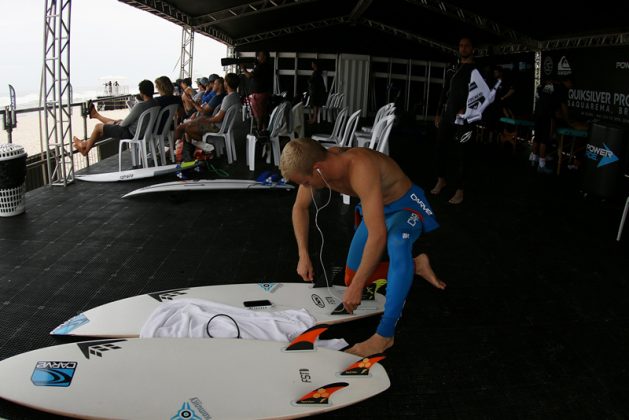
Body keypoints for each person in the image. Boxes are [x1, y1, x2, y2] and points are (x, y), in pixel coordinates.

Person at [280, 138, 445, 357]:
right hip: (375, 208)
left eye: (307, 183)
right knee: (353, 277)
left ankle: (385, 335)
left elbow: (378, 237)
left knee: (397, 244)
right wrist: (303, 254)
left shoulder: (360, 167)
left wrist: (357, 287)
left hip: (404, 206)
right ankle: (416, 265)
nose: (307, 188)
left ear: (317, 170)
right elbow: (300, 208)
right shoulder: (316, 164)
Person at [431, 37, 476, 205]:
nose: (463, 48)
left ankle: (460, 190)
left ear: (472, 49)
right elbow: (444, 91)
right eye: (461, 45)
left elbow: (482, 95)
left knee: (462, 154)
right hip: (448, 116)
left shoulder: (476, 70)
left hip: (465, 119)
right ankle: (441, 179)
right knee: (440, 148)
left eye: (467, 46)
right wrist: (437, 113)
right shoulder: (454, 69)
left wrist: (467, 108)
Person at [73, 79, 156, 156]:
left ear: (141, 92)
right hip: (143, 133)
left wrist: (119, 122)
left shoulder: (140, 106)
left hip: (131, 134)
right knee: (106, 128)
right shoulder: (155, 104)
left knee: (98, 127)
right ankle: (95, 117)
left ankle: (85, 150)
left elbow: (123, 124)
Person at [531, 75, 587, 173]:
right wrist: (568, 121)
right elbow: (564, 107)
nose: (571, 87)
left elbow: (540, 90)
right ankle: (541, 165)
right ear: (568, 81)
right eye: (571, 84)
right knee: (544, 139)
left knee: (537, 137)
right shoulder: (562, 89)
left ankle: (533, 158)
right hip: (546, 115)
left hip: (538, 112)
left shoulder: (550, 84)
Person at [173, 73, 241, 143]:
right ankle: (202, 146)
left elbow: (218, 118)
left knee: (188, 128)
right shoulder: (236, 96)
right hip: (228, 127)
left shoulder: (228, 98)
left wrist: (206, 120)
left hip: (219, 128)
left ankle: (209, 144)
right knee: (193, 123)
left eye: (225, 81)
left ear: (226, 83)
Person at [240, 51, 273, 130]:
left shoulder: (261, 67)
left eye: (260, 55)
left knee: (258, 115)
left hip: (258, 95)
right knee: (263, 114)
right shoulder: (267, 66)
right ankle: (264, 131)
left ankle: (259, 133)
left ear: (264, 56)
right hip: (264, 93)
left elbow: (249, 76)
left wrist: (243, 69)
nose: (258, 57)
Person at [307, 60, 326, 124]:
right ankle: (313, 118)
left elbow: (313, 82)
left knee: (315, 105)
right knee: (315, 106)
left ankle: (313, 119)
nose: (311, 64)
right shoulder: (317, 73)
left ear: (315, 65)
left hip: (317, 92)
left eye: (312, 63)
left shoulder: (316, 73)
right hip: (318, 92)